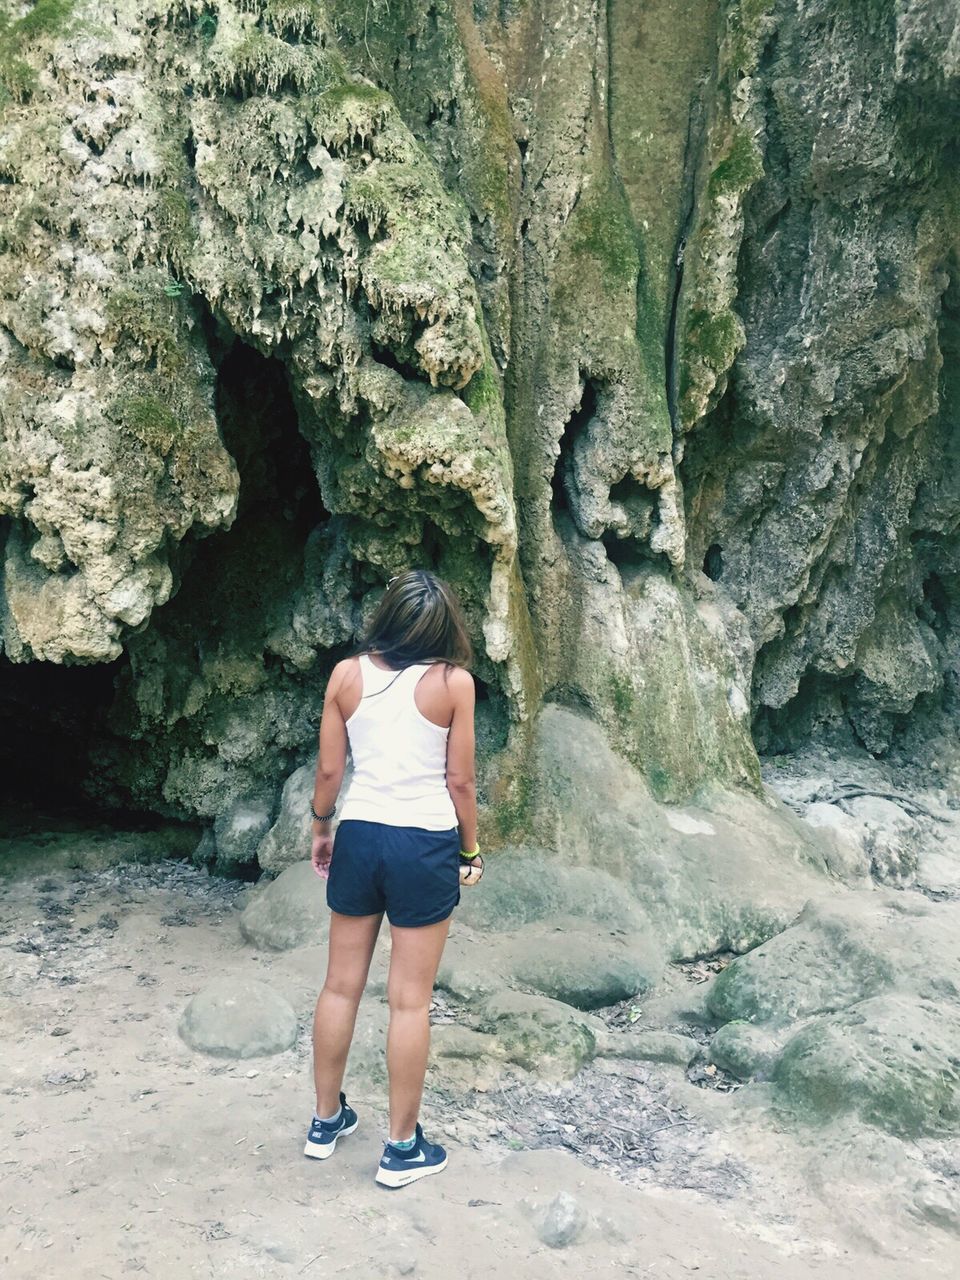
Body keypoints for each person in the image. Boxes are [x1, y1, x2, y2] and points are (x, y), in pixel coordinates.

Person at [303, 569, 484, 1189]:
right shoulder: (453, 684)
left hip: (361, 835)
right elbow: (460, 781)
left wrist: (322, 827)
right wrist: (471, 849)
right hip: (423, 842)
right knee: (409, 1000)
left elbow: (331, 771)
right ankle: (401, 1148)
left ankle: (325, 1123)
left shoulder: (347, 675)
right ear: (443, 627)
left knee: (339, 986)